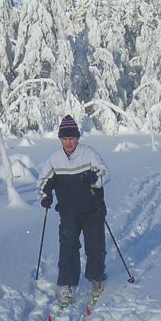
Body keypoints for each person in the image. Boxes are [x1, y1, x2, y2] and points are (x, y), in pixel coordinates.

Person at [37, 115, 110, 305]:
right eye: (65, 139)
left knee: (95, 245)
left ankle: (96, 278)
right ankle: (66, 285)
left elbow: (105, 173)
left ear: (77, 138)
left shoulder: (88, 154)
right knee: (68, 246)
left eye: (72, 138)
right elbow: (43, 181)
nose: (68, 143)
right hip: (68, 211)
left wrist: (94, 179)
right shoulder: (55, 159)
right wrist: (45, 196)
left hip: (92, 209)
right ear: (61, 139)